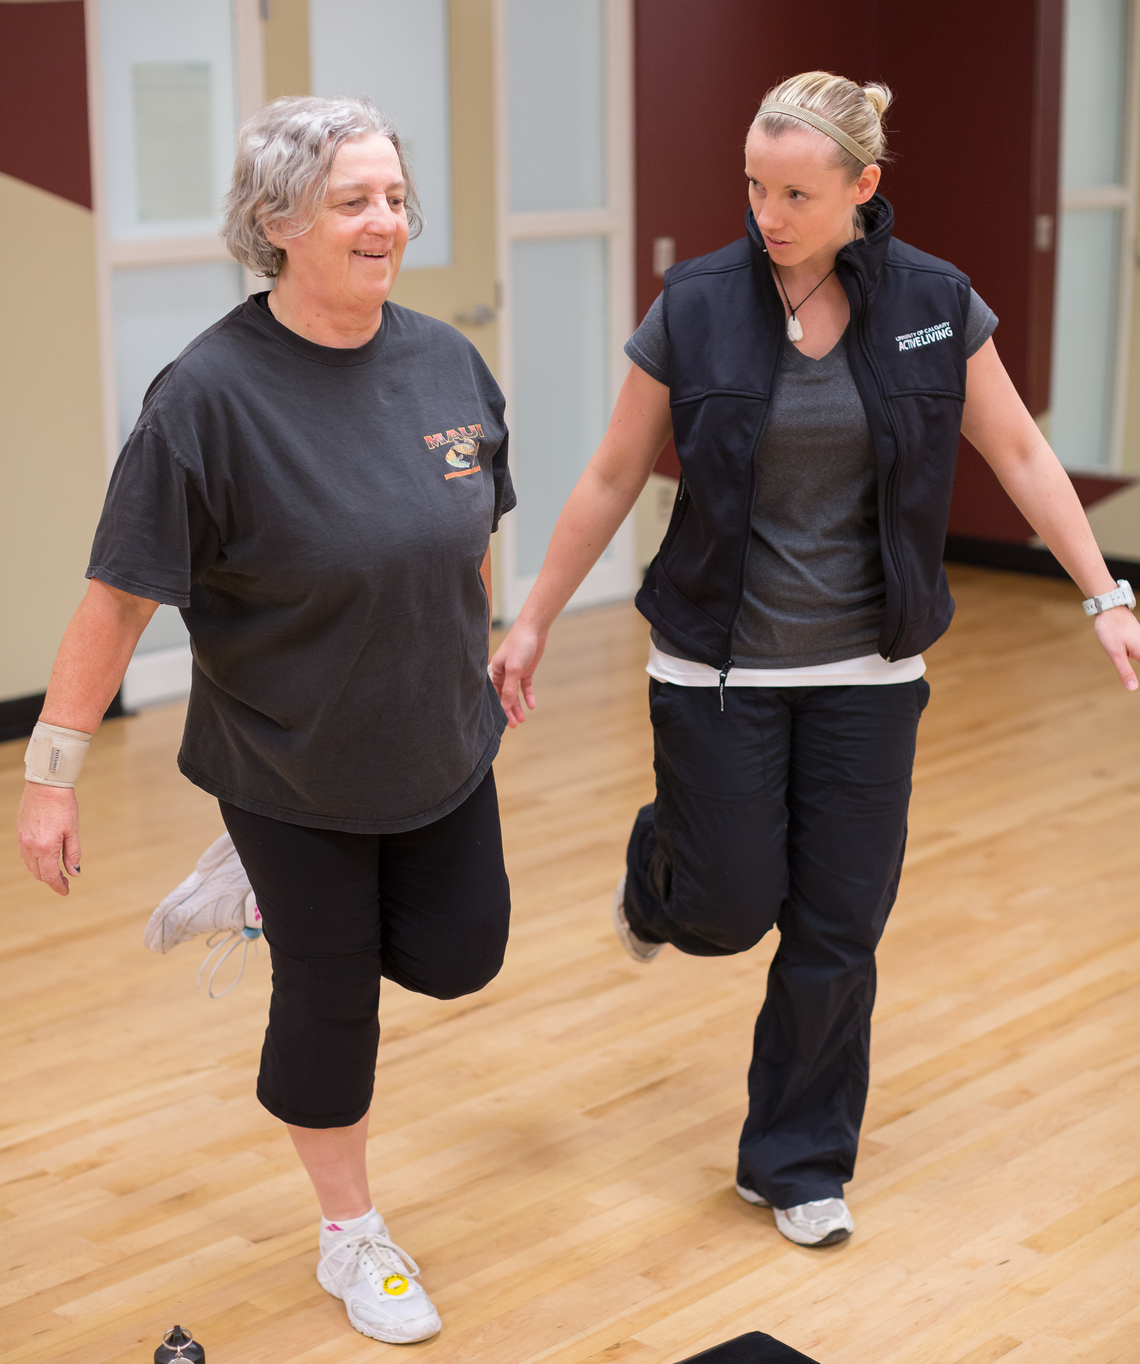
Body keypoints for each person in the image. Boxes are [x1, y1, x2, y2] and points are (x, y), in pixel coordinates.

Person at [490, 71, 1140, 1249]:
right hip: (718, 667)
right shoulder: (695, 303)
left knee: (839, 931)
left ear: (863, 188)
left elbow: (1023, 454)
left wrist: (1105, 591)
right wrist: (530, 615)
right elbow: (610, 473)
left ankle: (794, 1159)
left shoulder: (937, 301)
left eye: (796, 190)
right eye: (753, 184)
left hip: (868, 674)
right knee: (728, 913)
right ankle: (664, 864)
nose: (767, 212)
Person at [16, 96, 516, 1344]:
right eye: (355, 200)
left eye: (396, 195)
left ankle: (262, 893)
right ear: (279, 223)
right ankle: (352, 1235)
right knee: (332, 993)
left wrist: (492, 646)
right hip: (287, 758)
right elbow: (119, 598)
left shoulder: (447, 360)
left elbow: (469, 538)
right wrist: (53, 773)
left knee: (463, 954)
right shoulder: (208, 398)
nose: (387, 220)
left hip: (438, 739)